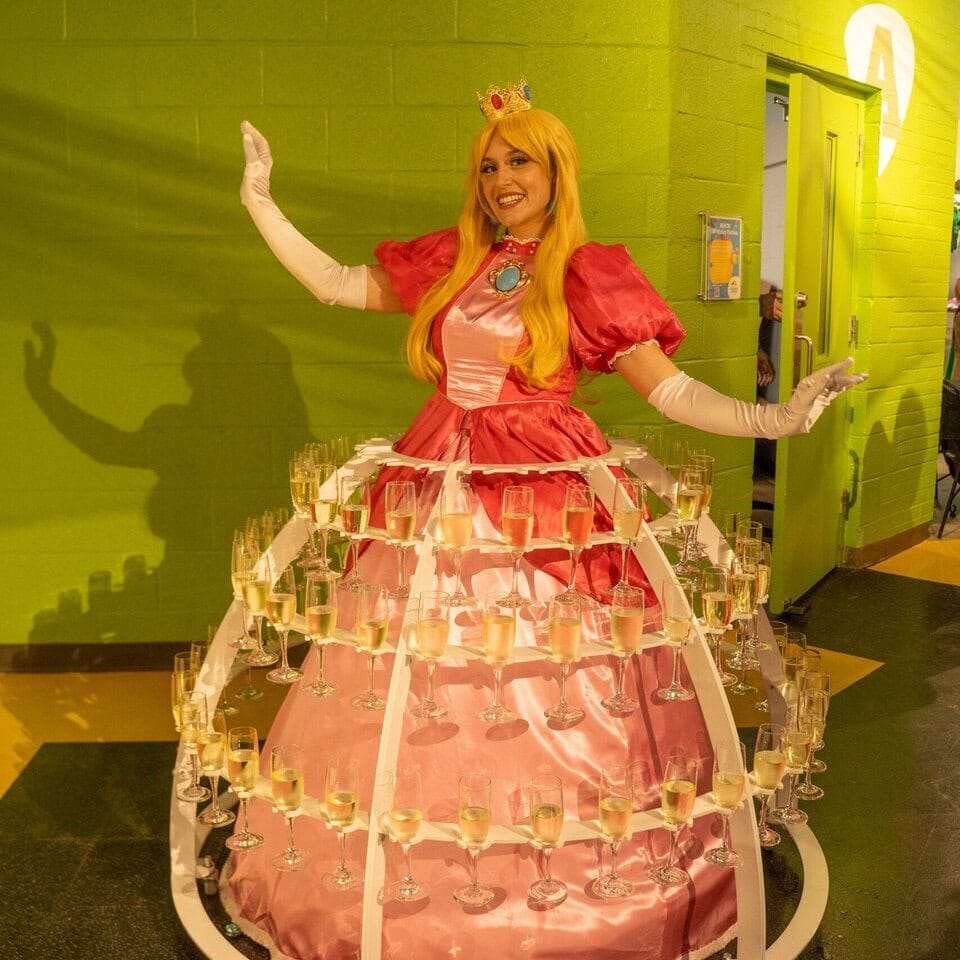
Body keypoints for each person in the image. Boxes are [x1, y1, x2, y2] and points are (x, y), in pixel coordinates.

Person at [226, 81, 865, 960]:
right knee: (414, 679)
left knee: (559, 676)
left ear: (557, 169)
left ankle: (572, 889)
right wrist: (261, 201)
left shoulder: (588, 270)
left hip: (546, 487)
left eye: (518, 160)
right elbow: (339, 284)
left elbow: (670, 390)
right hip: (441, 469)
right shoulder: (457, 258)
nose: (500, 179)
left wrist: (777, 419)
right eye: (489, 165)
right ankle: (408, 894)